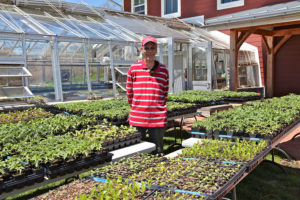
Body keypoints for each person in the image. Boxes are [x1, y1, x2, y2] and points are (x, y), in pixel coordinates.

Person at [126, 36, 169, 154]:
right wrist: (137, 106)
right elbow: (129, 93)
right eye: (147, 48)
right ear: (142, 49)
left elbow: (164, 92)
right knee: (137, 152)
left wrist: (157, 106)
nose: (149, 51)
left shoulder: (164, 70)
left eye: (152, 48)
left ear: (156, 50)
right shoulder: (133, 69)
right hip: (137, 117)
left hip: (157, 118)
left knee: (158, 151)